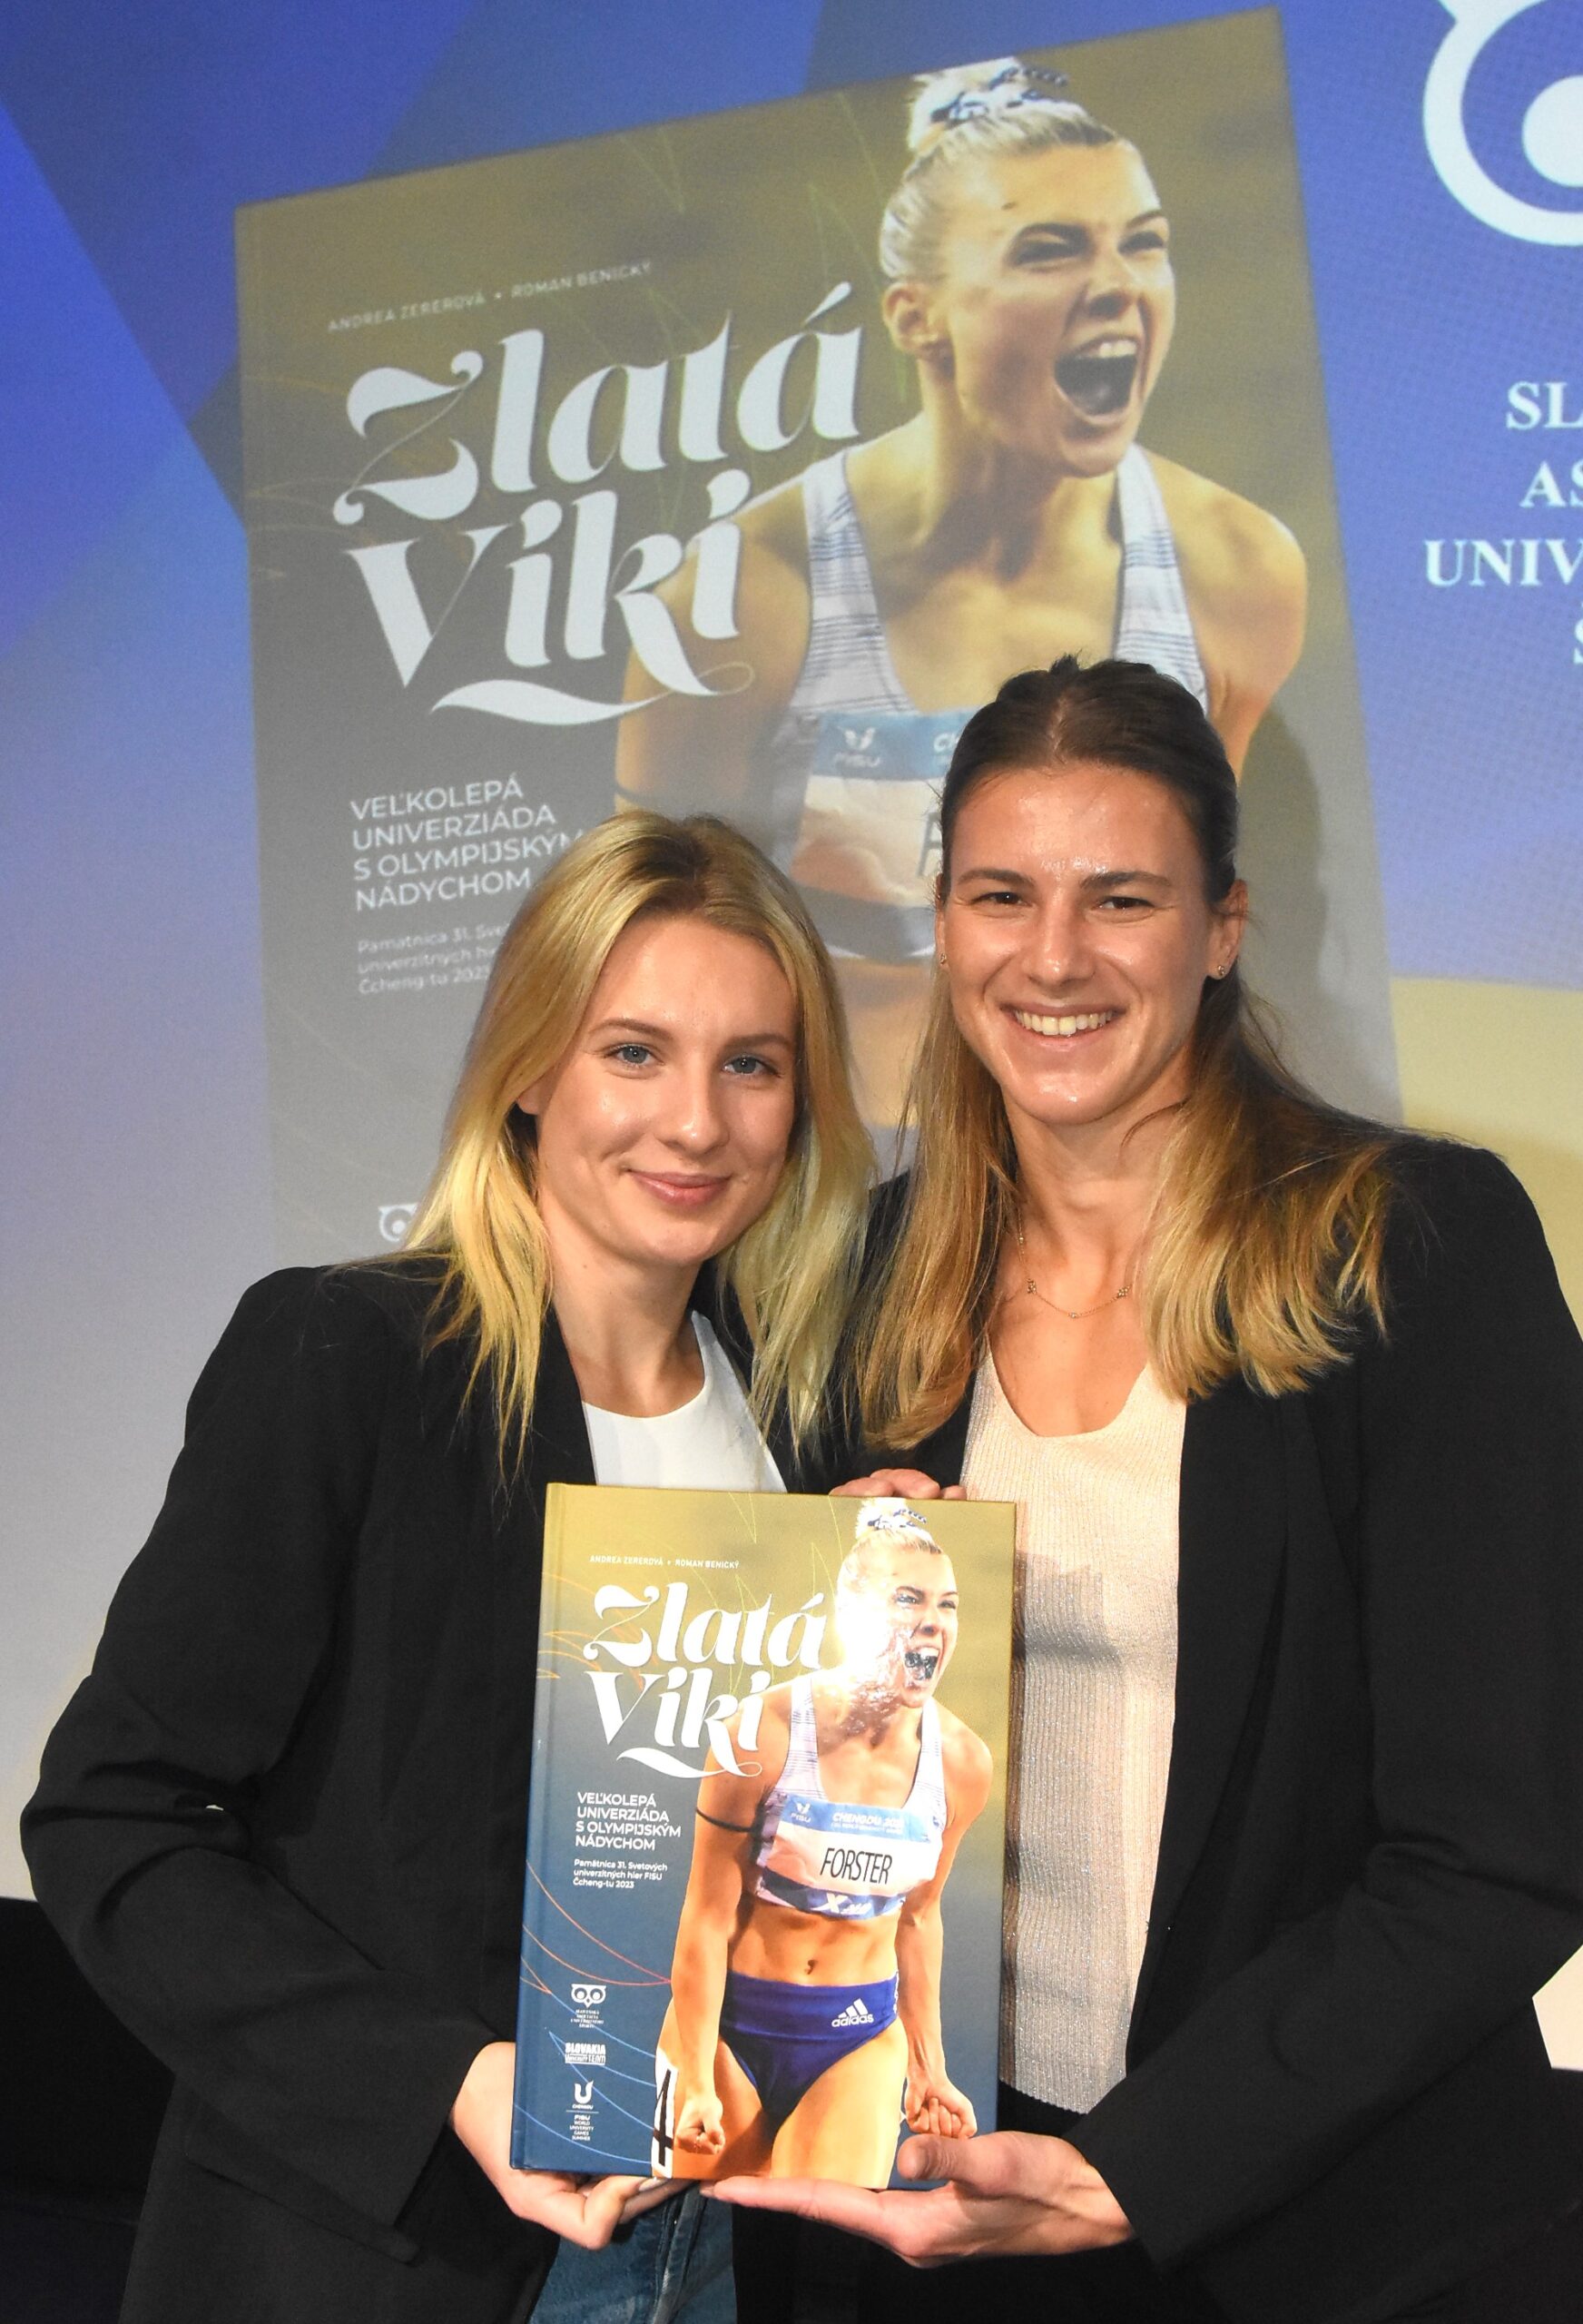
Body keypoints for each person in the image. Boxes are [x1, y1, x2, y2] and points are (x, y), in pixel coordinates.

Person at [714, 657, 1583, 2324]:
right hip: (940, 2210)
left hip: (1341, 2233)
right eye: (1000, 895)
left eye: (1120, 897)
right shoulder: (849, 1289)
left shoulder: (1413, 1251)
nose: (1053, 957)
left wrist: (1144, 2169)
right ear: (944, 921)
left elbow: (1500, 1846)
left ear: (1222, 926)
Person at [21, 812, 873, 2324]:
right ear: (529, 1069)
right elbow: (112, 1820)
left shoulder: (800, 1421)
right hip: (402, 2248)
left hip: (725, 2249)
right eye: (633, 1052)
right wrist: (450, 2084)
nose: (694, 1122)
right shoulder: (352, 1362)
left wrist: (878, 1602)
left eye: (750, 1063)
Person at [617, 57, 1306, 1122]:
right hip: (848, 1174)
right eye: (1049, 250)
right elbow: (653, 953)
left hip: (1128, 1164)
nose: (1118, 285)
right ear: (915, 316)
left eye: (1143, 242)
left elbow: (1188, 937)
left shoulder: (1238, 568)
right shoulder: (743, 593)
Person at [654, 1497, 991, 2190]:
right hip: (728, 2029)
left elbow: (920, 1918)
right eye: (908, 1599)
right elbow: (706, 1917)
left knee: (820, 2223)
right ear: (854, 1613)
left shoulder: (962, 1763)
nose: (933, 1620)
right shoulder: (759, 1732)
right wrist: (696, 2077)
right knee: (678, 2224)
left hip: (856, 2036)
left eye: (948, 1605)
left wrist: (929, 2068)